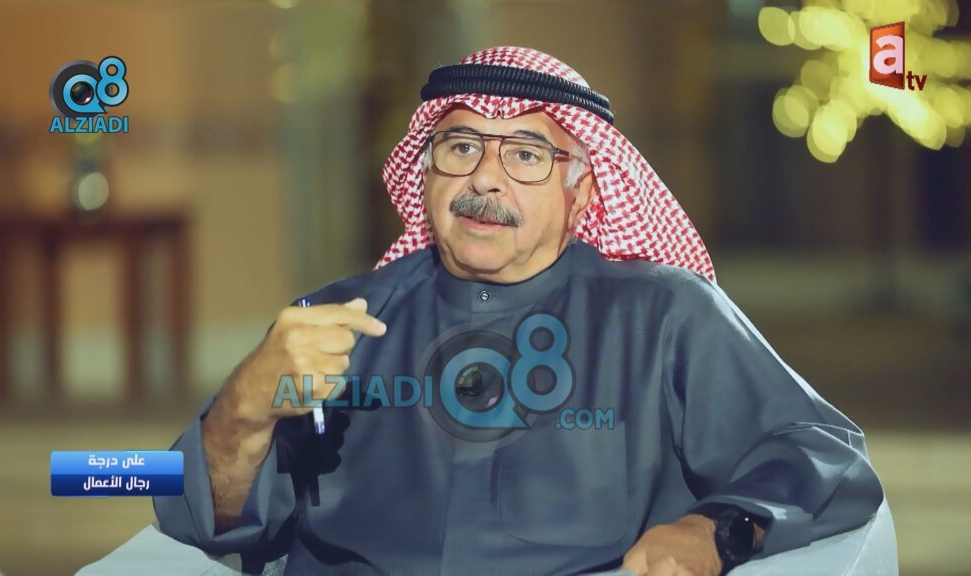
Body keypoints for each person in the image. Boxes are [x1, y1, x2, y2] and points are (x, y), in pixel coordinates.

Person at [154, 46, 883, 576]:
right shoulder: (332, 320)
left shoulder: (664, 316)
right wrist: (242, 412)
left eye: (527, 156)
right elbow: (206, 519)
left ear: (582, 191)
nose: (484, 180)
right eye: (461, 147)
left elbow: (821, 454)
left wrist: (716, 531)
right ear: (425, 172)